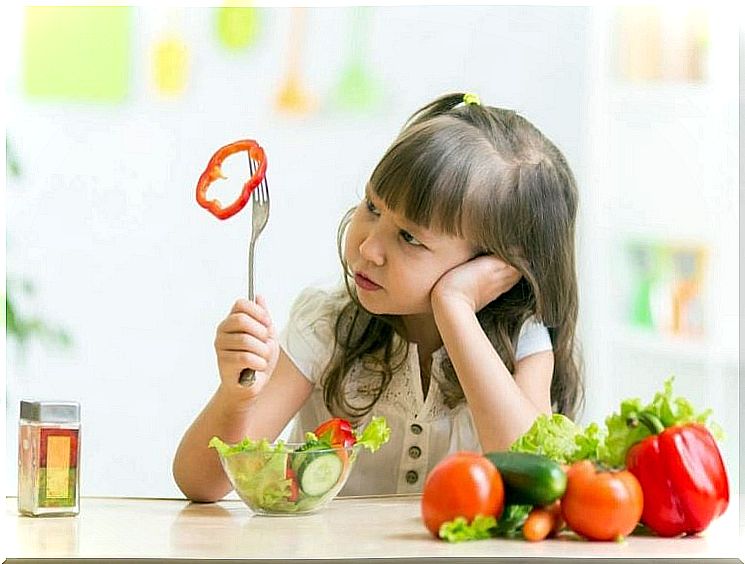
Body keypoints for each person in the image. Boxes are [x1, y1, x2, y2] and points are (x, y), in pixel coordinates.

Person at [173, 92, 583, 502]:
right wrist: (236, 397)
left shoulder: (522, 341)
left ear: (497, 267)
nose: (369, 248)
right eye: (372, 206)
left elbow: (536, 483)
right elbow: (202, 483)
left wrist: (454, 306)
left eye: (408, 237)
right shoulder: (326, 325)